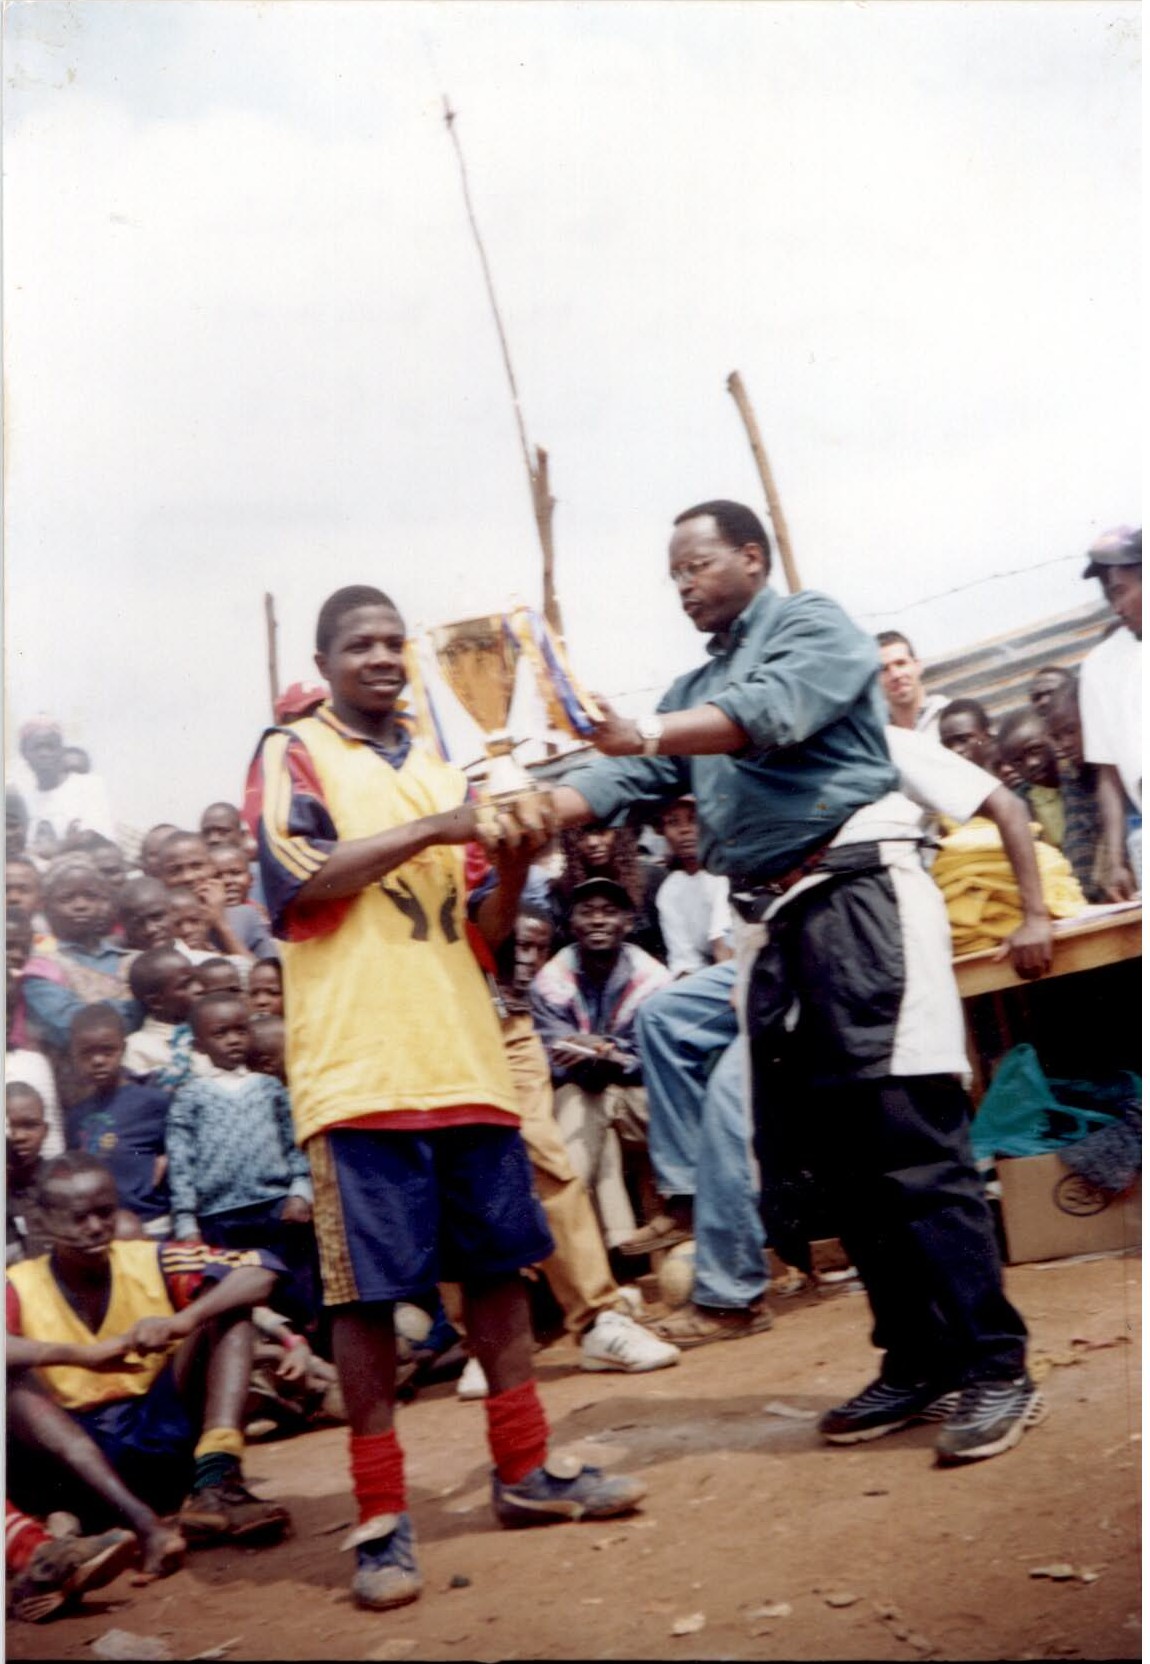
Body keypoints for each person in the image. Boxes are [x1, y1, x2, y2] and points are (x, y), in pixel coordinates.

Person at [543, 498, 1049, 1467]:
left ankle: (995, 1363)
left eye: (697, 564)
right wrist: (529, 807)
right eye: (673, 573)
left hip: (858, 900)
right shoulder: (698, 685)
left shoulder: (816, 627)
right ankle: (916, 1357)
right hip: (771, 925)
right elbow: (626, 779)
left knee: (912, 1143)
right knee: (838, 1159)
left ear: (751, 556)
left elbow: (768, 714)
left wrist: (640, 728)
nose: (683, 584)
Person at [244, 583, 645, 1613]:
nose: (382, 658)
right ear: (326, 663)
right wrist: (441, 824)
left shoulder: (433, 760)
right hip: (360, 1069)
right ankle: (381, 1516)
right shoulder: (293, 749)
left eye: (394, 642)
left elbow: (481, 928)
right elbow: (297, 879)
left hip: (464, 1054)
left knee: (500, 1272)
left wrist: (507, 865)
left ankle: (525, 1468)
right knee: (366, 1299)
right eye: (360, 645)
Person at [6, 1153, 290, 1571]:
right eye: (78, 1218)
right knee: (11, 1385)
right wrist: (84, 1356)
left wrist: (183, 1320)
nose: (95, 1227)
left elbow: (261, 1268)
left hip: (159, 1442)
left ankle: (215, 1483)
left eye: (105, 1212)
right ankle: (144, 1526)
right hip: (74, 1470)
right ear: (44, 1222)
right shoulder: (17, 1284)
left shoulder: (150, 1258)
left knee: (229, 1309)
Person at [458, 903, 679, 1399]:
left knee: (548, 1160)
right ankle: (481, 1344)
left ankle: (598, 1319)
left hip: (503, 1016)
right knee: (454, 1172)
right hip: (432, 1014)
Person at [529, 877, 670, 1250]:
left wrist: (606, 1050)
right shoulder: (552, 979)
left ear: (627, 922)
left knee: (609, 1107)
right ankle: (615, 1244)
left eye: (609, 912)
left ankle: (576, 1243)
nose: (597, 920)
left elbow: (653, 1055)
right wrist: (602, 1054)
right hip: (582, 1092)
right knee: (583, 1115)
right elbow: (554, 1050)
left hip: (640, 1101)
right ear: (571, 923)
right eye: (587, 911)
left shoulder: (652, 978)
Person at [165, 991, 317, 1332]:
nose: (233, 1040)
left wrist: (300, 1190)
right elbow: (181, 1162)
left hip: (276, 1210)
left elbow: (294, 1142)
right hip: (219, 1219)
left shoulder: (269, 1088)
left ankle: (310, 1352)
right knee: (239, 1304)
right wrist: (187, 1222)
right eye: (220, 1034)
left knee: (296, 1293)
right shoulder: (190, 1096)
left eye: (240, 1030)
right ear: (199, 1045)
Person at [65, 1004, 171, 1237]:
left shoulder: (153, 1102)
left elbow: (180, 1145)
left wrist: (167, 1157)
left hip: (151, 1222)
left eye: (107, 1051)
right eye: (87, 1053)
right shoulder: (76, 1116)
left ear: (123, 1048)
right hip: (102, 1228)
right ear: (74, 1055)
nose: (98, 1060)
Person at [1077, 525, 1141, 897]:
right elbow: (1108, 773)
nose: (1116, 607)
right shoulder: (1100, 665)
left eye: (1120, 590)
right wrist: (1116, 861)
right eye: (1108, 595)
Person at [21, 856, 136, 1057]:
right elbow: (70, 1028)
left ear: (105, 901)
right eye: (67, 899)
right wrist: (135, 1008)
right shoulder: (41, 967)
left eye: (91, 897)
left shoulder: (131, 959)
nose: (81, 905)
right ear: (45, 906)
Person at [6, 1500, 138, 1625]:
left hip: (35, 1574)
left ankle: (64, 1585)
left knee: (59, 1518)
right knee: (122, 1537)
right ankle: (64, 1583)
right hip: (43, 1563)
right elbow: (126, 1538)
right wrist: (68, 1589)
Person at [6, 718, 115, 860]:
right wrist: (70, 841)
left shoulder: (88, 785)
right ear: (24, 753)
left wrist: (55, 849)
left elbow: (95, 835)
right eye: (37, 748)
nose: (44, 753)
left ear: (61, 751)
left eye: (51, 747)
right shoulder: (21, 797)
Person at [651, 795, 733, 977]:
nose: (685, 830)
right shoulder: (670, 890)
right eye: (673, 822)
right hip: (714, 975)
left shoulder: (727, 872)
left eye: (693, 820)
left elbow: (723, 948)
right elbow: (684, 961)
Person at [158, 833, 272, 961]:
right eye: (175, 871)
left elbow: (266, 971)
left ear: (212, 868)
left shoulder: (245, 915)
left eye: (196, 866)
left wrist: (221, 924)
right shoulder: (157, 924)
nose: (188, 877)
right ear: (161, 877)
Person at [1039, 684, 1105, 903]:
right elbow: (1078, 841)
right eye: (1057, 737)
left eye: (1071, 731)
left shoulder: (1118, 765)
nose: (1065, 744)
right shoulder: (1072, 776)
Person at [123, 947, 202, 1081]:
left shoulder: (210, 1026)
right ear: (156, 1002)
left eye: (196, 980)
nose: (199, 988)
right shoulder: (138, 1048)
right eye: (185, 985)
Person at [995, 708, 1066, 849]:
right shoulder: (1021, 805)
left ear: (1051, 737)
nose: (1031, 763)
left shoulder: (1082, 779)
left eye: (1035, 750)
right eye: (1018, 761)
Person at [7, 1082, 52, 1263]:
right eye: (9, 1126)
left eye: (30, 1125)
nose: (19, 1136)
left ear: (45, 1131)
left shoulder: (60, 1183)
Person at [876, 631, 949, 736]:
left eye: (901, 663)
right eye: (884, 669)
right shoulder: (876, 735)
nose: (895, 675)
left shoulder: (950, 715)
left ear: (918, 665)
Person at [938, 698, 997, 769]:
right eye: (947, 745)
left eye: (963, 740)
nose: (956, 750)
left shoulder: (1007, 769)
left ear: (987, 734)